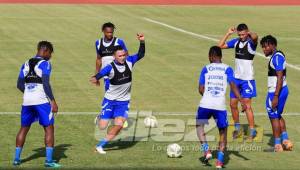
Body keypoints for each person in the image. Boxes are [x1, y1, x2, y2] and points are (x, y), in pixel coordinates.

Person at [90, 33, 145, 154]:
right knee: (102, 126)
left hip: (123, 102)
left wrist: (142, 42)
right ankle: (99, 117)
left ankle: (100, 146)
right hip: (109, 101)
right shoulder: (110, 67)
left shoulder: (130, 61)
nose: (123, 57)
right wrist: (96, 77)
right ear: (114, 57)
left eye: (124, 55)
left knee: (119, 124)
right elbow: (101, 73)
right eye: (120, 56)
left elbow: (141, 54)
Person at [196, 46, 246, 169]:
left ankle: (207, 151)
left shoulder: (206, 69)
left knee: (199, 126)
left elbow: (200, 89)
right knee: (222, 132)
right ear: (221, 56)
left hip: (205, 104)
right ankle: (219, 162)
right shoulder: (227, 69)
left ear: (210, 56)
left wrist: (208, 96)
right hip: (220, 106)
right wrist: (241, 100)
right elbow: (233, 85)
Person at [13, 41, 61, 168]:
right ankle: (49, 161)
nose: (50, 56)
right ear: (45, 51)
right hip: (41, 101)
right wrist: (53, 101)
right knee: (49, 128)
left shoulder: (25, 63)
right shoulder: (45, 64)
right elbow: (45, 83)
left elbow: (19, 84)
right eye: (50, 53)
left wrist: (29, 92)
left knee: (24, 128)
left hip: (27, 101)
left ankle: (17, 159)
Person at [218, 23, 258, 139]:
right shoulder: (236, 42)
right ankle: (237, 128)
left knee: (247, 106)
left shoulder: (251, 42)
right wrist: (228, 33)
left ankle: (252, 130)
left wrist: (250, 34)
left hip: (247, 80)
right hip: (236, 79)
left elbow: (255, 37)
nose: (241, 36)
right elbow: (220, 46)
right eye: (239, 34)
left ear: (247, 32)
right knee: (232, 104)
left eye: (243, 34)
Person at [260, 35, 293, 152]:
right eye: (262, 47)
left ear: (273, 45)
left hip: (276, 92)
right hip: (282, 90)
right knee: (278, 115)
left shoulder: (277, 58)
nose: (264, 49)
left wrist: (275, 96)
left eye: (265, 47)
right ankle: (286, 141)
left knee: (273, 117)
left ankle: (277, 145)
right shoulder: (278, 55)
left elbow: (279, 77)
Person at [95, 22, 128, 90]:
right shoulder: (98, 43)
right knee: (109, 95)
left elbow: (127, 56)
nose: (110, 34)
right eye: (108, 32)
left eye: (111, 32)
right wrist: (97, 76)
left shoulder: (119, 42)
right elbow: (99, 59)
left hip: (119, 75)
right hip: (106, 76)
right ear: (103, 31)